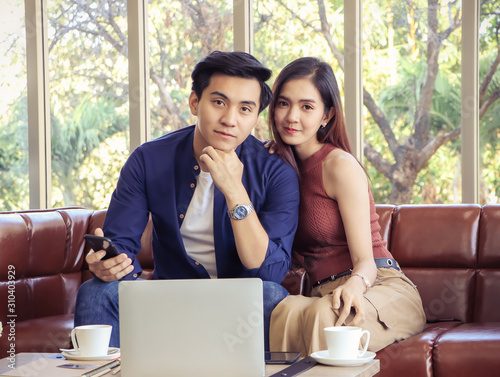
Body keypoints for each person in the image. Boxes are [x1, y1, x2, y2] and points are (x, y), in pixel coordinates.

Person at [75, 51, 300, 351]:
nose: (229, 120)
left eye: (245, 109)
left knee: (272, 296)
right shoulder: (149, 160)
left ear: (255, 116)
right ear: (195, 103)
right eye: (218, 102)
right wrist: (110, 267)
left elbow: (269, 272)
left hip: (239, 305)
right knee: (96, 291)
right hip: (168, 300)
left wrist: (235, 191)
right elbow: (122, 248)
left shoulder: (276, 172)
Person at [267, 57, 426, 355]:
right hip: (325, 293)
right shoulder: (276, 168)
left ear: (326, 115)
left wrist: (354, 284)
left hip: (375, 286)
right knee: (284, 312)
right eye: (283, 103)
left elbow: (365, 261)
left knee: (323, 317)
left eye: (307, 107)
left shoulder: (339, 165)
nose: (292, 116)